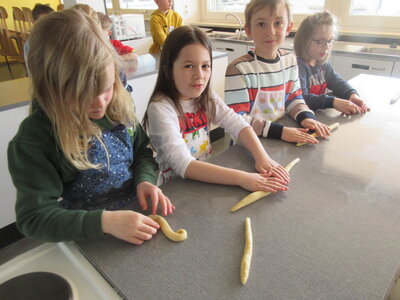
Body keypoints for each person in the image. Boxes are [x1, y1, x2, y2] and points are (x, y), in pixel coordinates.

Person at [8, 9, 174, 245]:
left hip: (135, 221)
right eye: (83, 95)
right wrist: (105, 222)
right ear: (51, 91)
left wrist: (145, 179)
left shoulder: (117, 107)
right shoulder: (36, 139)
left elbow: (141, 152)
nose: (99, 104)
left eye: (106, 88)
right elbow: (34, 218)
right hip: (86, 236)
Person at [143, 25, 290, 193]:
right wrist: (243, 178)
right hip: (177, 191)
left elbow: (237, 123)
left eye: (205, 66)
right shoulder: (160, 108)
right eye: (189, 66)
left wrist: (262, 158)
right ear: (168, 70)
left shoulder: (206, 97)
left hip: (207, 181)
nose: (199, 75)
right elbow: (183, 164)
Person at [224, 0, 331, 145]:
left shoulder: (289, 61)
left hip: (279, 140)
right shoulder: (239, 69)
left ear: (288, 27)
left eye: (278, 23)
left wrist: (306, 118)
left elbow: (293, 98)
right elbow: (237, 119)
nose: (270, 32)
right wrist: (281, 132)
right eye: (261, 24)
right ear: (249, 30)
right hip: (249, 145)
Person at [294, 11, 369, 114]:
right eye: (320, 41)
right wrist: (333, 102)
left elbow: (338, 83)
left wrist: (352, 95)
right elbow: (302, 98)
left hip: (318, 116)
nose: (326, 47)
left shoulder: (323, 65)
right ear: (304, 40)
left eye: (330, 41)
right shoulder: (298, 67)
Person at [98, 12, 137, 91]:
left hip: (119, 84)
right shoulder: (93, 47)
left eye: (100, 33)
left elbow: (134, 53)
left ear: (109, 33)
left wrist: (115, 58)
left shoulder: (115, 44)